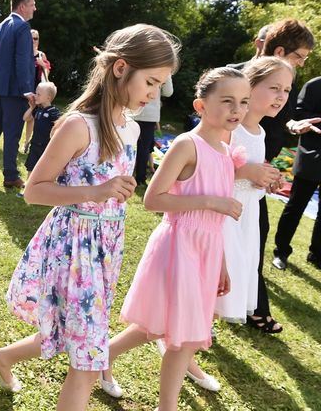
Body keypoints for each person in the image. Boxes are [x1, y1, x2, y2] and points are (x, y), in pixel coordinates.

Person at [0, 24, 179, 411]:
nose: (154, 94)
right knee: (89, 357)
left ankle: (3, 357)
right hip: (72, 247)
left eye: (160, 85)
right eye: (151, 82)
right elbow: (34, 189)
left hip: (105, 249)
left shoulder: (133, 130)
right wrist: (96, 192)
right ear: (121, 67)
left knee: (67, 333)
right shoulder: (79, 125)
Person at [103, 67, 250, 411]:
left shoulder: (228, 152)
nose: (236, 110)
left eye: (243, 102)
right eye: (227, 101)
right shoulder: (187, 145)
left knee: (164, 327)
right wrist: (211, 201)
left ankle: (105, 354)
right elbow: (153, 200)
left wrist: (222, 264)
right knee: (179, 336)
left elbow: (216, 223)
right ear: (201, 105)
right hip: (180, 245)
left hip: (207, 251)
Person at [229, 18, 315, 333]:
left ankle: (248, 303)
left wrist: (292, 128)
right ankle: (252, 307)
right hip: (234, 180)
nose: (303, 63)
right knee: (237, 242)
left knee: (253, 238)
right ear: (279, 50)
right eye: (299, 56)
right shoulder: (234, 79)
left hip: (257, 176)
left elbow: (278, 124)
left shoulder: (283, 88)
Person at [215, 58, 292, 324]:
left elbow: (251, 175)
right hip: (222, 216)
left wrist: (265, 180)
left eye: (287, 90)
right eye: (274, 88)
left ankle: (196, 339)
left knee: (232, 278)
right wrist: (247, 172)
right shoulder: (231, 128)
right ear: (250, 85)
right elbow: (209, 171)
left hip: (246, 219)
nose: (281, 97)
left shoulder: (259, 132)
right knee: (213, 278)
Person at [0, 0, 37, 188]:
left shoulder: (2, 25)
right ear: (22, 6)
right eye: (32, 4)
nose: (35, 8)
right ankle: (11, 175)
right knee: (12, 134)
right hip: (14, 89)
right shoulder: (22, 28)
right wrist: (27, 89)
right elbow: (22, 60)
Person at [273, 75, 321, 270]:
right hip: (312, 155)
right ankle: (281, 252)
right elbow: (298, 115)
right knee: (295, 206)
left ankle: (316, 254)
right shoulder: (315, 85)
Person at [133, 78, 174, 186]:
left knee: (128, 145)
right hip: (149, 115)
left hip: (131, 111)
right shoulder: (164, 70)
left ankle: (125, 173)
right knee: (144, 148)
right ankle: (140, 178)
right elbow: (168, 92)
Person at [22, 81, 60, 180]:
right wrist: (31, 108)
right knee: (31, 167)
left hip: (46, 146)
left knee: (45, 169)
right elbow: (25, 118)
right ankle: (27, 187)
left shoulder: (53, 112)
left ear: (48, 98)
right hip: (34, 144)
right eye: (36, 93)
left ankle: (44, 187)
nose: (35, 96)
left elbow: (59, 126)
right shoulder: (38, 110)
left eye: (38, 94)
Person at [22, 28, 52, 153]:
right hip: (23, 89)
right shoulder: (22, 52)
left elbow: (47, 73)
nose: (34, 41)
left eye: (36, 38)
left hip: (36, 90)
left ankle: (26, 142)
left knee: (32, 118)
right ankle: (16, 140)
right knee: (21, 116)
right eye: (31, 38)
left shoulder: (41, 55)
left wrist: (43, 64)